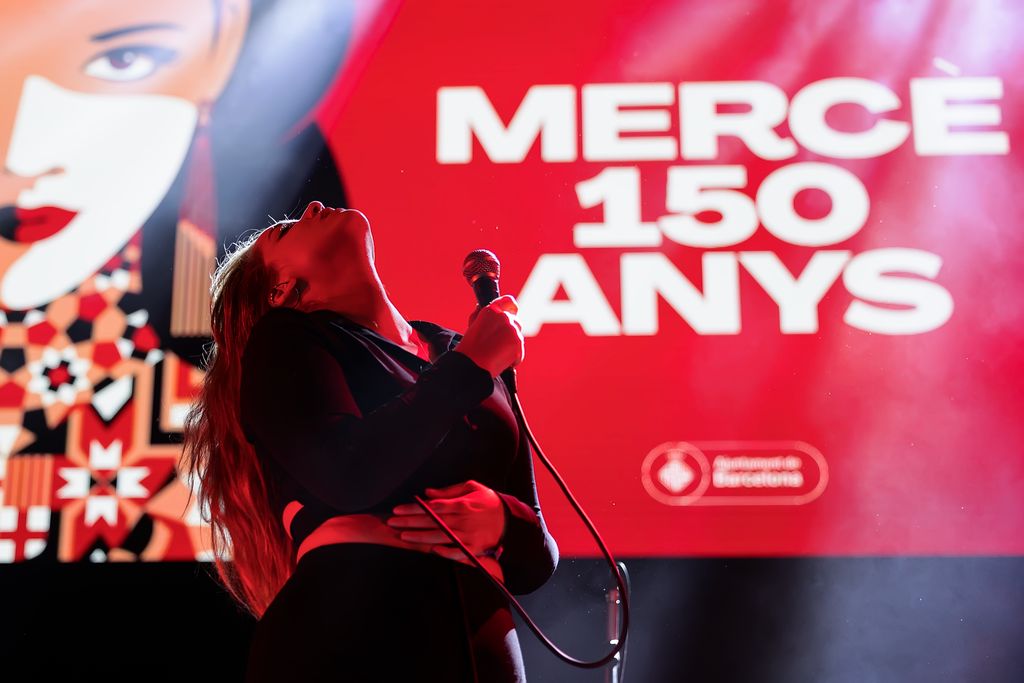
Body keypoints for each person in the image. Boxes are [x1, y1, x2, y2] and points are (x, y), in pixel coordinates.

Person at [182, 200, 559, 681]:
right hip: (354, 631)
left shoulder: (455, 348)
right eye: (286, 232)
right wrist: (471, 367)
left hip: (483, 642)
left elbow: (537, 561)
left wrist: (503, 520)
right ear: (281, 289)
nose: (314, 205)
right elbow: (348, 472)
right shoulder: (286, 340)